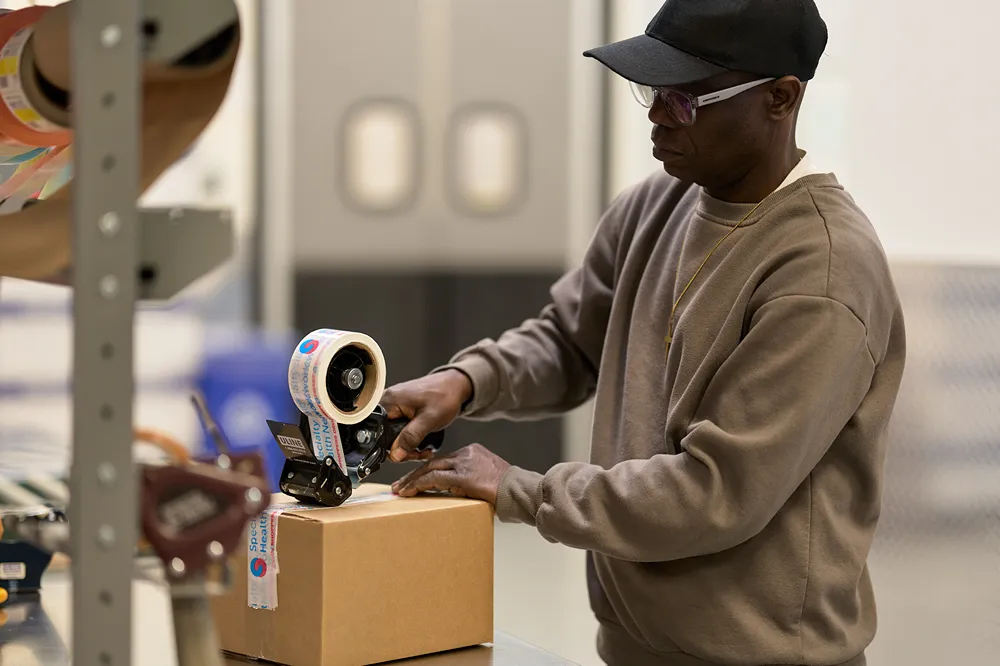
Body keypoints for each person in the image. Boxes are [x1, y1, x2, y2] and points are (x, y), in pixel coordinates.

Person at [381, 1, 905, 664]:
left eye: (686, 99)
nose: (659, 116)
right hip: (636, 648)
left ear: (780, 97)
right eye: (653, 91)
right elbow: (569, 341)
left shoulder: (823, 272)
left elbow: (714, 493)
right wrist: (467, 381)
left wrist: (522, 488)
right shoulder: (658, 203)